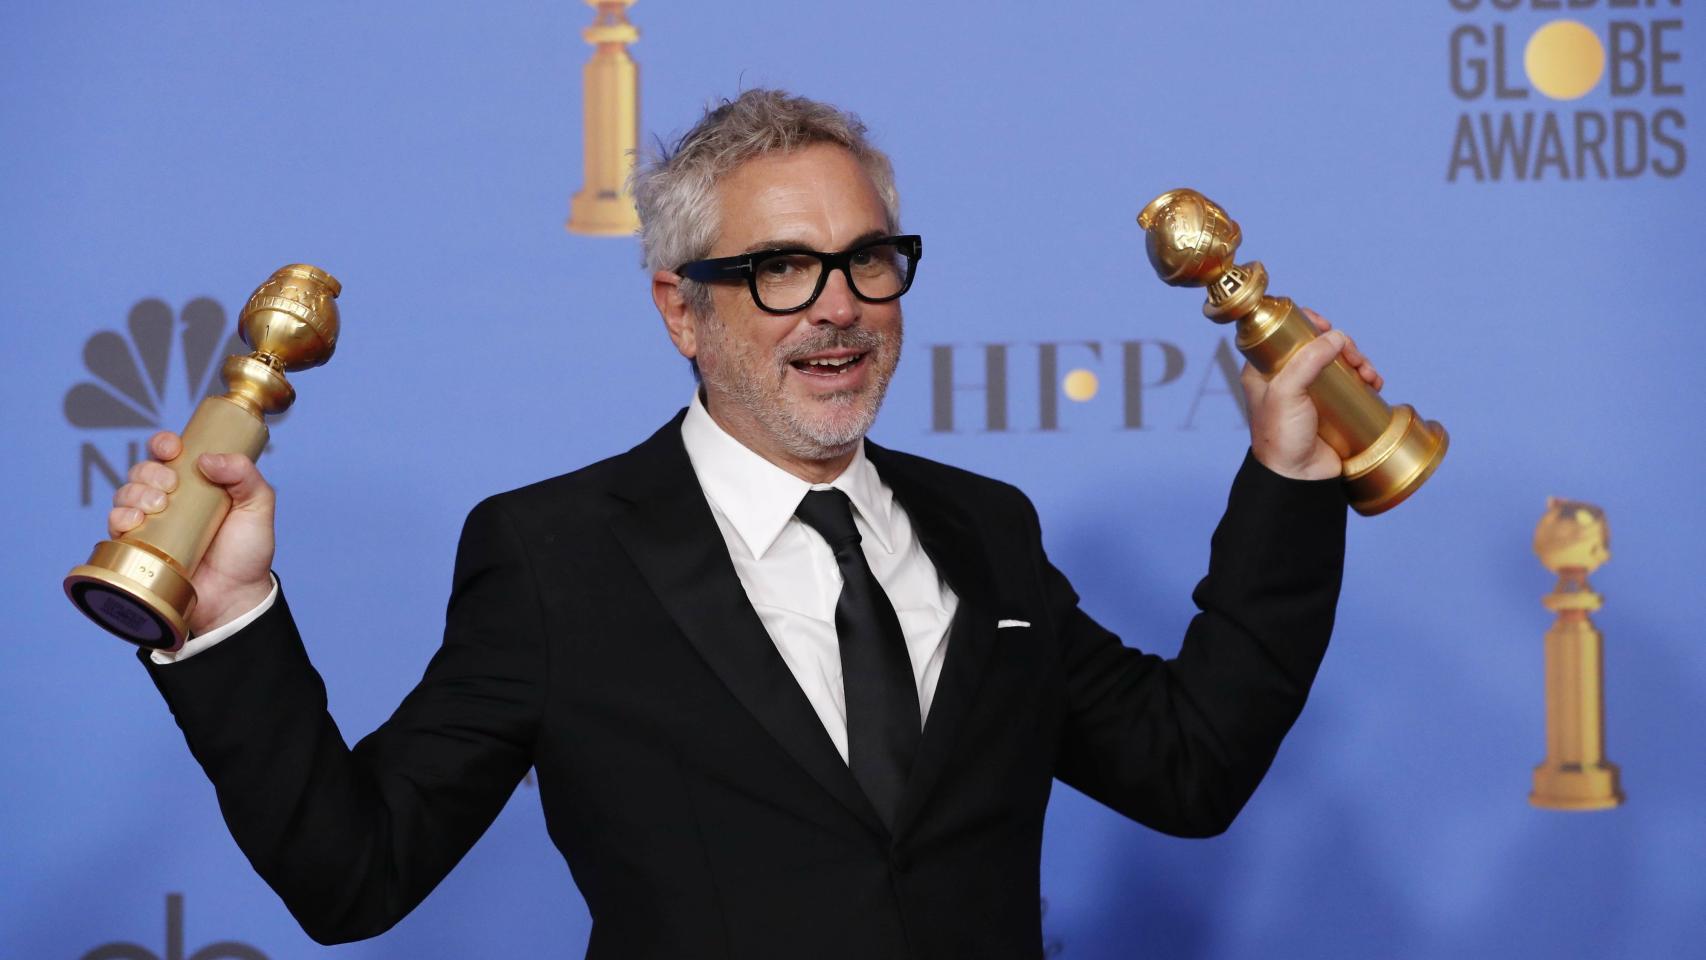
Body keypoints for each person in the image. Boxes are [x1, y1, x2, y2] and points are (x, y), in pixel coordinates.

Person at [112, 90, 1381, 958]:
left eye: (868, 259)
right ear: (681, 309)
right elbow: (355, 874)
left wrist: (1289, 483)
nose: (838, 310)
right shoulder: (555, 556)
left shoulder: (985, 529)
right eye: (780, 269)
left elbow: (1189, 767)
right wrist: (227, 626)